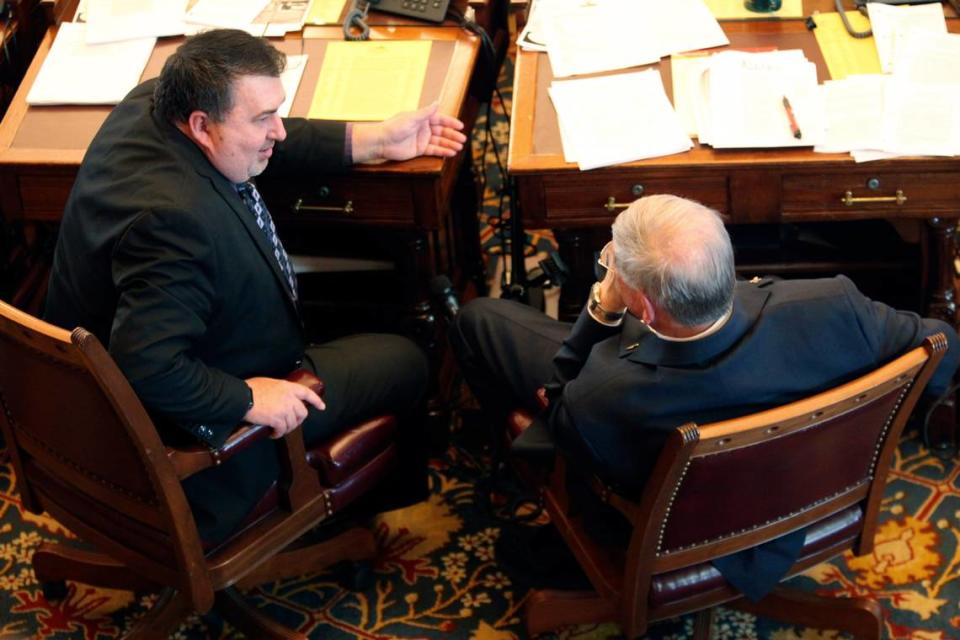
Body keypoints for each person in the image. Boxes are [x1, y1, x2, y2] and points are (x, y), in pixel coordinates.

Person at [43, 29, 467, 543]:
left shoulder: (154, 104)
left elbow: (258, 142)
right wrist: (244, 397)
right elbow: (146, 366)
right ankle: (322, 519)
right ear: (202, 125)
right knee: (404, 357)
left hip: (74, 403)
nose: (279, 132)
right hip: (179, 435)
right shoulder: (175, 224)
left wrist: (372, 140)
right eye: (264, 118)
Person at [450, 194, 960, 597]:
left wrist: (601, 312)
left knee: (480, 320)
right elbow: (944, 346)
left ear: (644, 309)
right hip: (808, 498)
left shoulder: (603, 395)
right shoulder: (835, 307)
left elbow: (559, 419)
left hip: (666, 528)